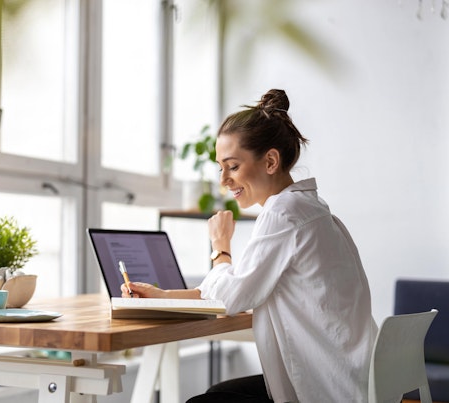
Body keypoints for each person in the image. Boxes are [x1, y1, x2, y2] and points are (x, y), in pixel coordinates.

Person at [121, 89, 378, 402]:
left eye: (232, 166)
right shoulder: (311, 209)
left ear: (270, 161)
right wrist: (163, 296)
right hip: (348, 381)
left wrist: (220, 246)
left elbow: (231, 297)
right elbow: (243, 286)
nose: (224, 181)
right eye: (221, 168)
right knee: (218, 393)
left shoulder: (283, 213)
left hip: (325, 389)